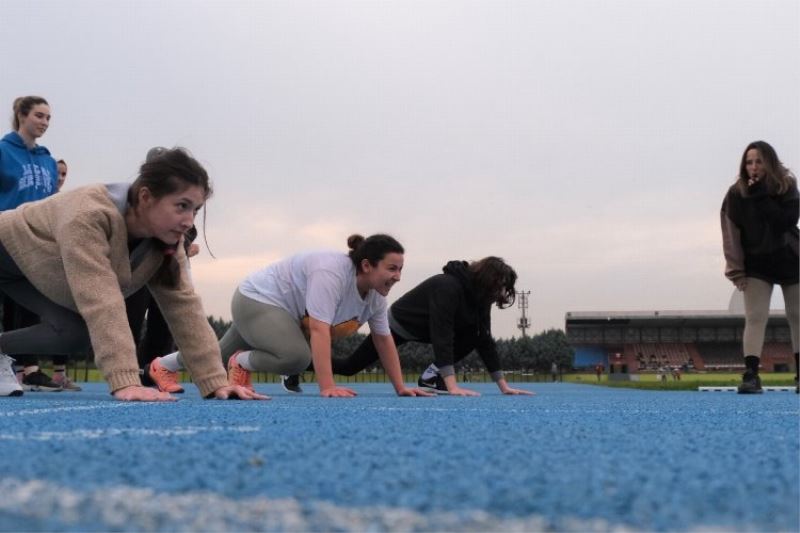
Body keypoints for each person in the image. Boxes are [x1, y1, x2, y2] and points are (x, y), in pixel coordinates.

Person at [0, 146, 266, 401]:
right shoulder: (88, 214)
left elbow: (185, 308)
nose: (189, 220)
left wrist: (215, 381)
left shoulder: (165, 243)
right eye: (181, 206)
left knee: (74, 333)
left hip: (30, 270)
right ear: (146, 197)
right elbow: (102, 299)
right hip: (7, 249)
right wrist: (125, 380)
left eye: (195, 209)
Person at [148, 234, 432, 398]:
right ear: (367, 265)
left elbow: (384, 341)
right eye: (392, 269)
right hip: (257, 299)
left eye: (400, 270)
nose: (397, 277)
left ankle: (163, 365)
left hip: (277, 310)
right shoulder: (332, 273)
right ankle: (242, 362)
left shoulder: (375, 297)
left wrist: (401, 387)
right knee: (297, 357)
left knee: (216, 353)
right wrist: (328, 387)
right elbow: (319, 331)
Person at [321, 257, 533, 396]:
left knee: (476, 334)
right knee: (349, 367)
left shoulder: (481, 297)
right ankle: (303, 365)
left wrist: (503, 386)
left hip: (428, 329)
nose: (500, 294)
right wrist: (452, 386)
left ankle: (431, 376)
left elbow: (484, 340)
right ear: (487, 280)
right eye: (499, 287)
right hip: (401, 324)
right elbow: (442, 335)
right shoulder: (448, 286)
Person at [721, 141, 799, 394]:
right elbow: (730, 234)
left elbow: (785, 222)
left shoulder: (786, 186)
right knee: (755, 317)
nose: (753, 166)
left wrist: (762, 197)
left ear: (770, 163)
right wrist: (736, 270)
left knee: (797, 315)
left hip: (789, 257)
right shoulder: (736, 194)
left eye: (759, 161)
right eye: (749, 161)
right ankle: (752, 375)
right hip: (757, 262)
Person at [0, 96, 61, 394]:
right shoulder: (2, 151)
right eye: (39, 115)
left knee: (26, 304)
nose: (45, 122)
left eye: (48, 118)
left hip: (34, 241)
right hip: (3, 236)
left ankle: (25, 368)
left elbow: (50, 204)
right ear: (22, 115)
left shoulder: (49, 161)